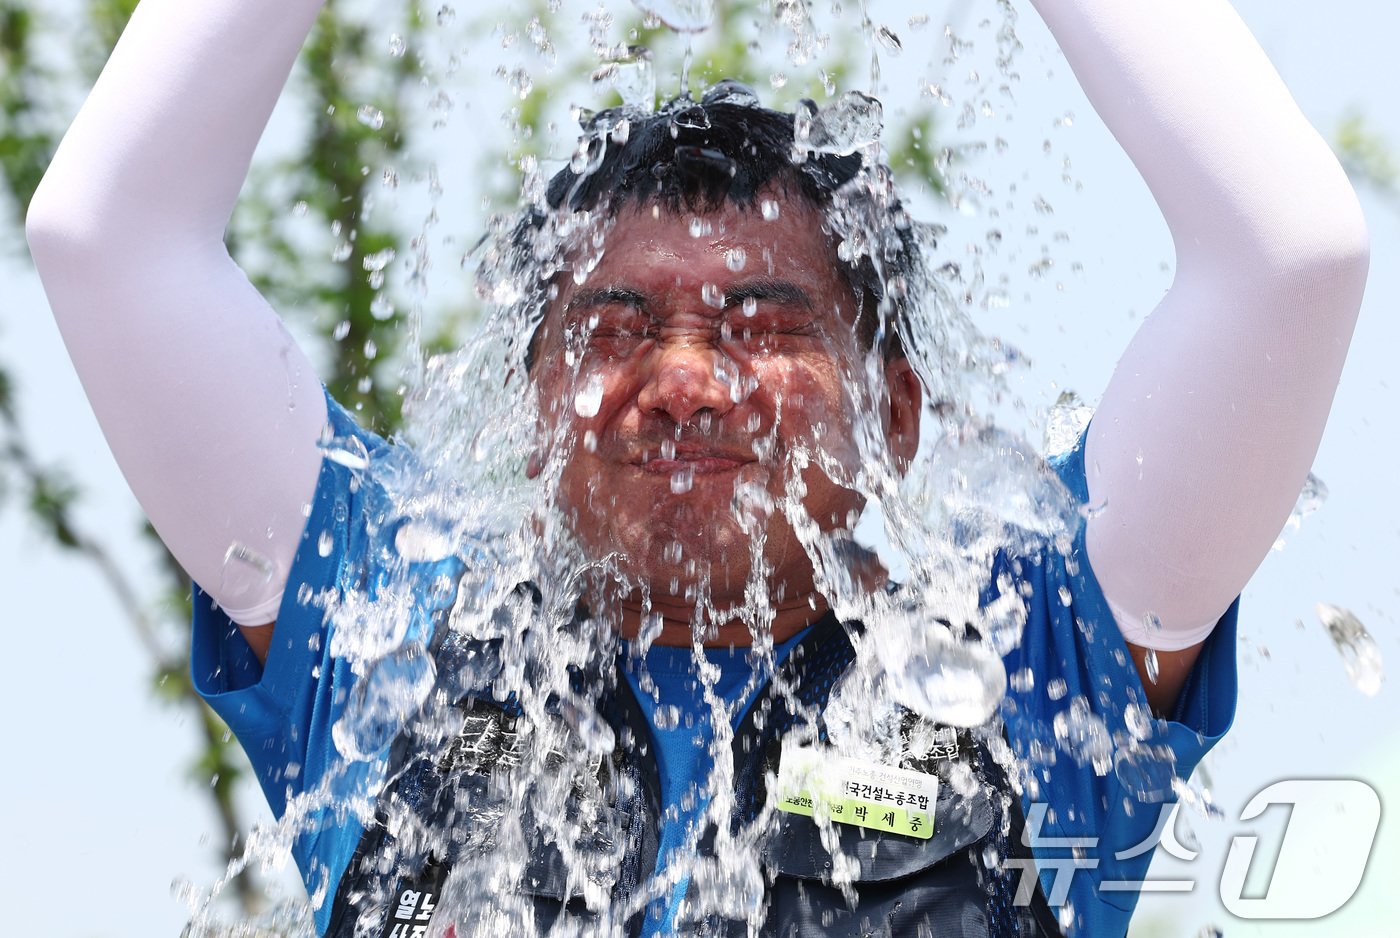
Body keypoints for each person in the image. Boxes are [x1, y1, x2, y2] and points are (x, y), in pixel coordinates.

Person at [24, 0, 1368, 935]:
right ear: (540, 401)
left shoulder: (1031, 665)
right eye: (614, 330)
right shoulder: (389, 629)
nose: (681, 385)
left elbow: (1288, 257)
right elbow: (110, 236)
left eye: (764, 327)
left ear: (892, 411)